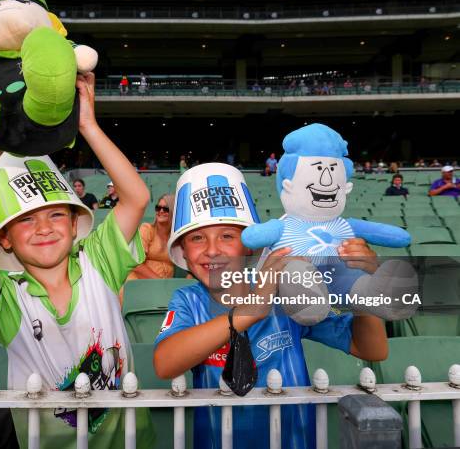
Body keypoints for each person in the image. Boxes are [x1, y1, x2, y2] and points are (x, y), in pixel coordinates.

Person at [0, 72, 154, 449]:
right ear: (5, 238)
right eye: (26, 220)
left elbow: (136, 198)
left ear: (73, 220)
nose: (44, 228)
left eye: (55, 215)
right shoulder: (6, 296)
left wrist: (88, 126)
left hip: (132, 441)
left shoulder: (99, 261)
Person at [153, 163, 388, 449]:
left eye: (228, 236)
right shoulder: (188, 300)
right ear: (184, 253)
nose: (212, 250)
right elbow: (165, 363)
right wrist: (250, 309)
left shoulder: (285, 291)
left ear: (250, 246)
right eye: (197, 238)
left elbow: (372, 349)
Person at [126, 194, 175, 282]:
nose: (161, 211)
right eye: (158, 208)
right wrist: (160, 282)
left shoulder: (176, 237)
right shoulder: (147, 229)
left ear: (173, 212)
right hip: (138, 282)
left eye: (166, 209)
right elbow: (135, 263)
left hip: (164, 286)